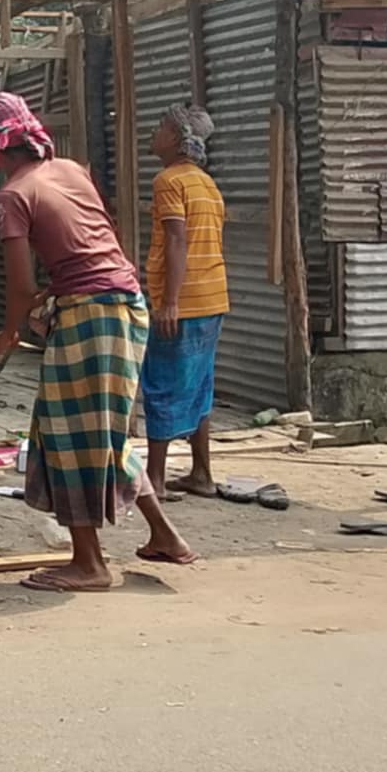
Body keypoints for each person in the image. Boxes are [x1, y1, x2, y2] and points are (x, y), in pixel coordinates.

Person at [0, 92, 198, 592]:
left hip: (90, 314)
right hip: (126, 304)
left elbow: (20, 286)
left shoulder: (12, 196)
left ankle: (89, 564)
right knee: (105, 432)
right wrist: (52, 295)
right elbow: (96, 242)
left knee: (69, 436)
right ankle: (165, 536)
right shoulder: (72, 170)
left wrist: (9, 332)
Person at [141, 105, 229, 500]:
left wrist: (170, 302)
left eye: (161, 126)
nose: (154, 132)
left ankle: (155, 480)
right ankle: (201, 473)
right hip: (212, 296)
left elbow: (177, 239)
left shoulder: (168, 181)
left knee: (162, 385)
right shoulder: (206, 183)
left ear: (177, 139)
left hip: (185, 300)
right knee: (199, 387)